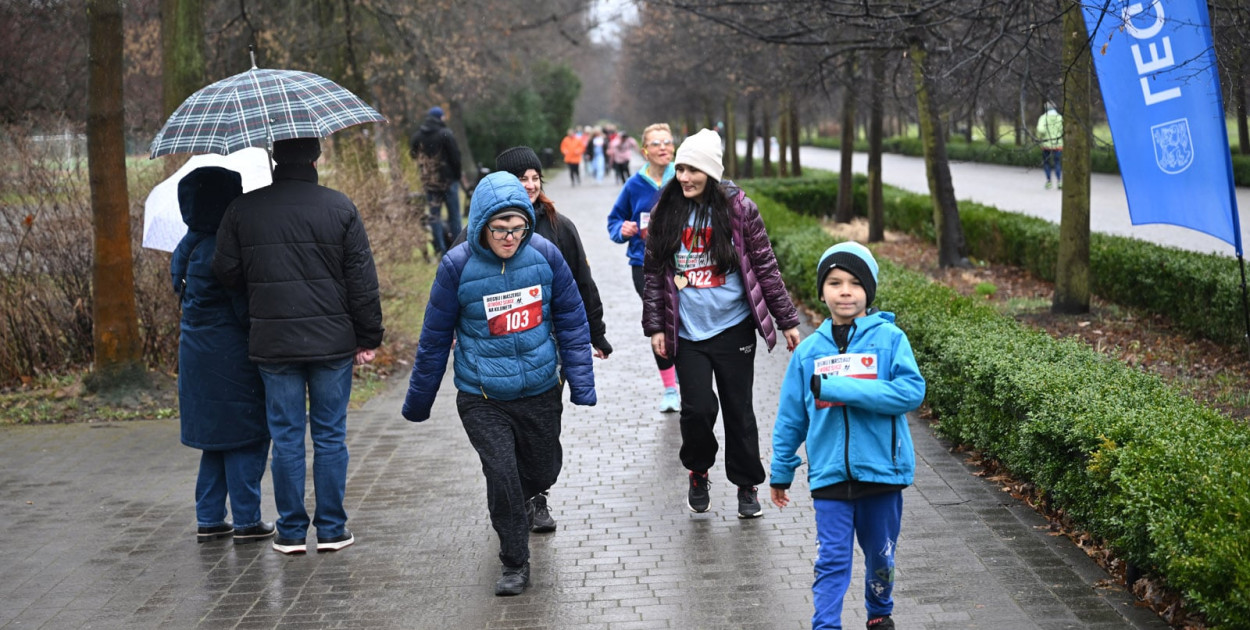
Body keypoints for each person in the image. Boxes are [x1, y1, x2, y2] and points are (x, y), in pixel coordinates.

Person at [402, 171, 596, 597]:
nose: (510, 237)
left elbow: (571, 319)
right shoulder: (457, 266)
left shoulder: (545, 255)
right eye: (499, 229)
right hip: (482, 395)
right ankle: (514, 561)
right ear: (481, 225)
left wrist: (580, 383)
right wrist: (419, 400)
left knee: (542, 469)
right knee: (502, 475)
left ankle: (530, 496)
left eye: (517, 227)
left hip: (541, 389)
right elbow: (434, 338)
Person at [214, 137, 384, 556]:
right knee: (329, 435)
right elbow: (362, 281)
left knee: (286, 436)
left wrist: (255, 305)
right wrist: (369, 337)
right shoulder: (340, 207)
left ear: (275, 158)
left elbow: (226, 272)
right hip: (332, 344)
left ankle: (290, 533)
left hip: (273, 343)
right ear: (315, 158)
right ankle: (331, 529)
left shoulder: (243, 210)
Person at [450, 146, 614, 533]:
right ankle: (520, 498)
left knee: (542, 431)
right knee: (505, 443)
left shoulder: (560, 228)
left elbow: (582, 284)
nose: (530, 184)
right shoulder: (471, 236)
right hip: (494, 359)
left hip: (548, 349)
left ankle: (537, 492)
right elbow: (453, 289)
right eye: (520, 178)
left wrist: (597, 333)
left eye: (534, 177)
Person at [641, 128, 802, 518]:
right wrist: (657, 326)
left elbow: (764, 265)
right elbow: (654, 270)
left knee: (738, 409)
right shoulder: (667, 206)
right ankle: (698, 470)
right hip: (687, 329)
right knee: (696, 409)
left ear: (711, 172)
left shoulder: (739, 209)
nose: (684, 177)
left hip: (733, 327)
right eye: (680, 168)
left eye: (692, 169)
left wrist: (787, 320)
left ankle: (747, 486)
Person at [769, 241, 926, 630]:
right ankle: (825, 625)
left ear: (868, 291)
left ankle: (879, 615)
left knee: (881, 558)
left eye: (855, 283)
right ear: (821, 291)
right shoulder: (809, 352)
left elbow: (910, 392)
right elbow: (791, 416)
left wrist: (841, 388)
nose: (844, 291)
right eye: (835, 282)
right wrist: (781, 470)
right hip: (829, 477)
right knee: (832, 560)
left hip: (882, 474)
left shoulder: (890, 339)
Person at [172, 166, 273, 546]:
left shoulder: (188, 245)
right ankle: (247, 520)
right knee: (247, 434)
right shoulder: (222, 248)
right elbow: (244, 308)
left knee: (215, 441)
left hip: (196, 355)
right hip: (229, 355)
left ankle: (210, 518)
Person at [608, 122, 679, 412]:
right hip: (644, 265)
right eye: (656, 143)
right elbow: (614, 220)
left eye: (667, 141)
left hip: (683, 264)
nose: (663, 147)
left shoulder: (685, 176)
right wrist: (621, 230)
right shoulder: (634, 185)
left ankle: (692, 378)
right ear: (644, 150)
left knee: (685, 319)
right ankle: (670, 389)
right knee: (659, 322)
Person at [410, 106, 466, 252]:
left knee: (434, 217)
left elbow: (413, 155)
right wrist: (457, 175)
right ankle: (457, 248)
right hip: (449, 182)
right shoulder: (445, 134)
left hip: (429, 184)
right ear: (440, 117)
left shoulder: (417, 137)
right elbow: (456, 157)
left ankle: (440, 249)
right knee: (454, 216)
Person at [1037, 102, 1063, 189]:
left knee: (1047, 163)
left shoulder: (1043, 118)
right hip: (1057, 145)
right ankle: (1059, 181)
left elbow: (1040, 130)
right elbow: (1063, 130)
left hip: (1046, 144)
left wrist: (1040, 136)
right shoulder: (1060, 118)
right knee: (1057, 163)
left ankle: (1049, 181)